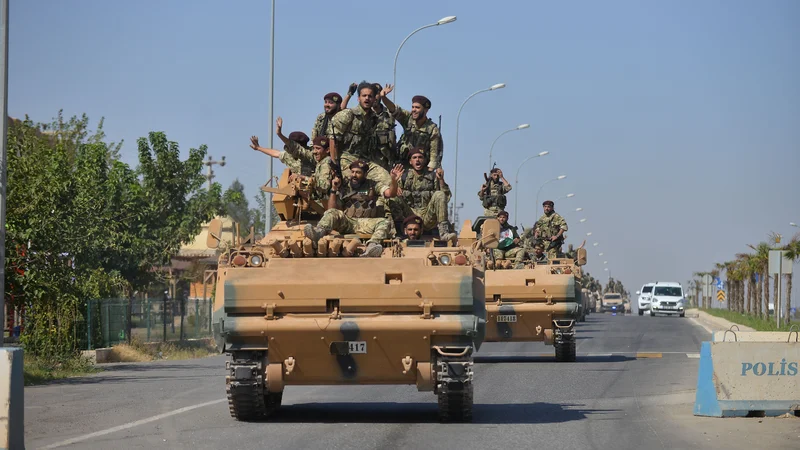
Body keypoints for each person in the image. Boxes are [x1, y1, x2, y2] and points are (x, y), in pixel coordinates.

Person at [304, 160, 402, 257]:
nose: (354, 175)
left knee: (384, 222)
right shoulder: (344, 185)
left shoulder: (373, 185)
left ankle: (372, 247)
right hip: (348, 222)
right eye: (353, 172)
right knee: (332, 212)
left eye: (358, 172)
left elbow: (390, 193)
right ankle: (318, 232)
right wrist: (334, 189)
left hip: (366, 223)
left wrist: (393, 180)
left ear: (365, 174)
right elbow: (331, 209)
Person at [331, 82, 393, 189]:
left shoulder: (374, 118)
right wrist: (335, 167)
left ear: (374, 99)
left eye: (370, 96)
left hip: (365, 161)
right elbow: (333, 140)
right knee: (355, 182)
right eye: (364, 96)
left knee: (388, 180)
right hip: (346, 160)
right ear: (358, 98)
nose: (367, 98)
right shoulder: (347, 115)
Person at [391, 148, 457, 242]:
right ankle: (398, 233)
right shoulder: (403, 177)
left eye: (420, 157)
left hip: (428, 216)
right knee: (393, 198)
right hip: (409, 215)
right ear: (410, 161)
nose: (417, 160)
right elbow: (393, 194)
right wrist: (395, 185)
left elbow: (445, 197)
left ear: (425, 160)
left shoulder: (433, 176)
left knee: (439, 194)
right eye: (414, 157)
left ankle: (444, 233)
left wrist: (441, 180)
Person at [378, 84, 443, 169]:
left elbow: (434, 157)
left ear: (426, 110)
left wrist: (428, 176)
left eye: (417, 107)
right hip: (403, 165)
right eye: (413, 107)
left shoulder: (432, 130)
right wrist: (383, 97)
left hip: (421, 168)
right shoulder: (408, 119)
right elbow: (394, 109)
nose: (414, 110)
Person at [250, 127, 314, 177]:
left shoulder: (311, 155)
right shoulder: (288, 155)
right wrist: (259, 148)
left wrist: (279, 134)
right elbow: (276, 153)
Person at [371, 83, 397, 170]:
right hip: (368, 162)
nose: (375, 97)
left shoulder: (390, 114)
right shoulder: (363, 114)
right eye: (372, 94)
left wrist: (384, 97)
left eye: (377, 94)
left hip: (386, 164)